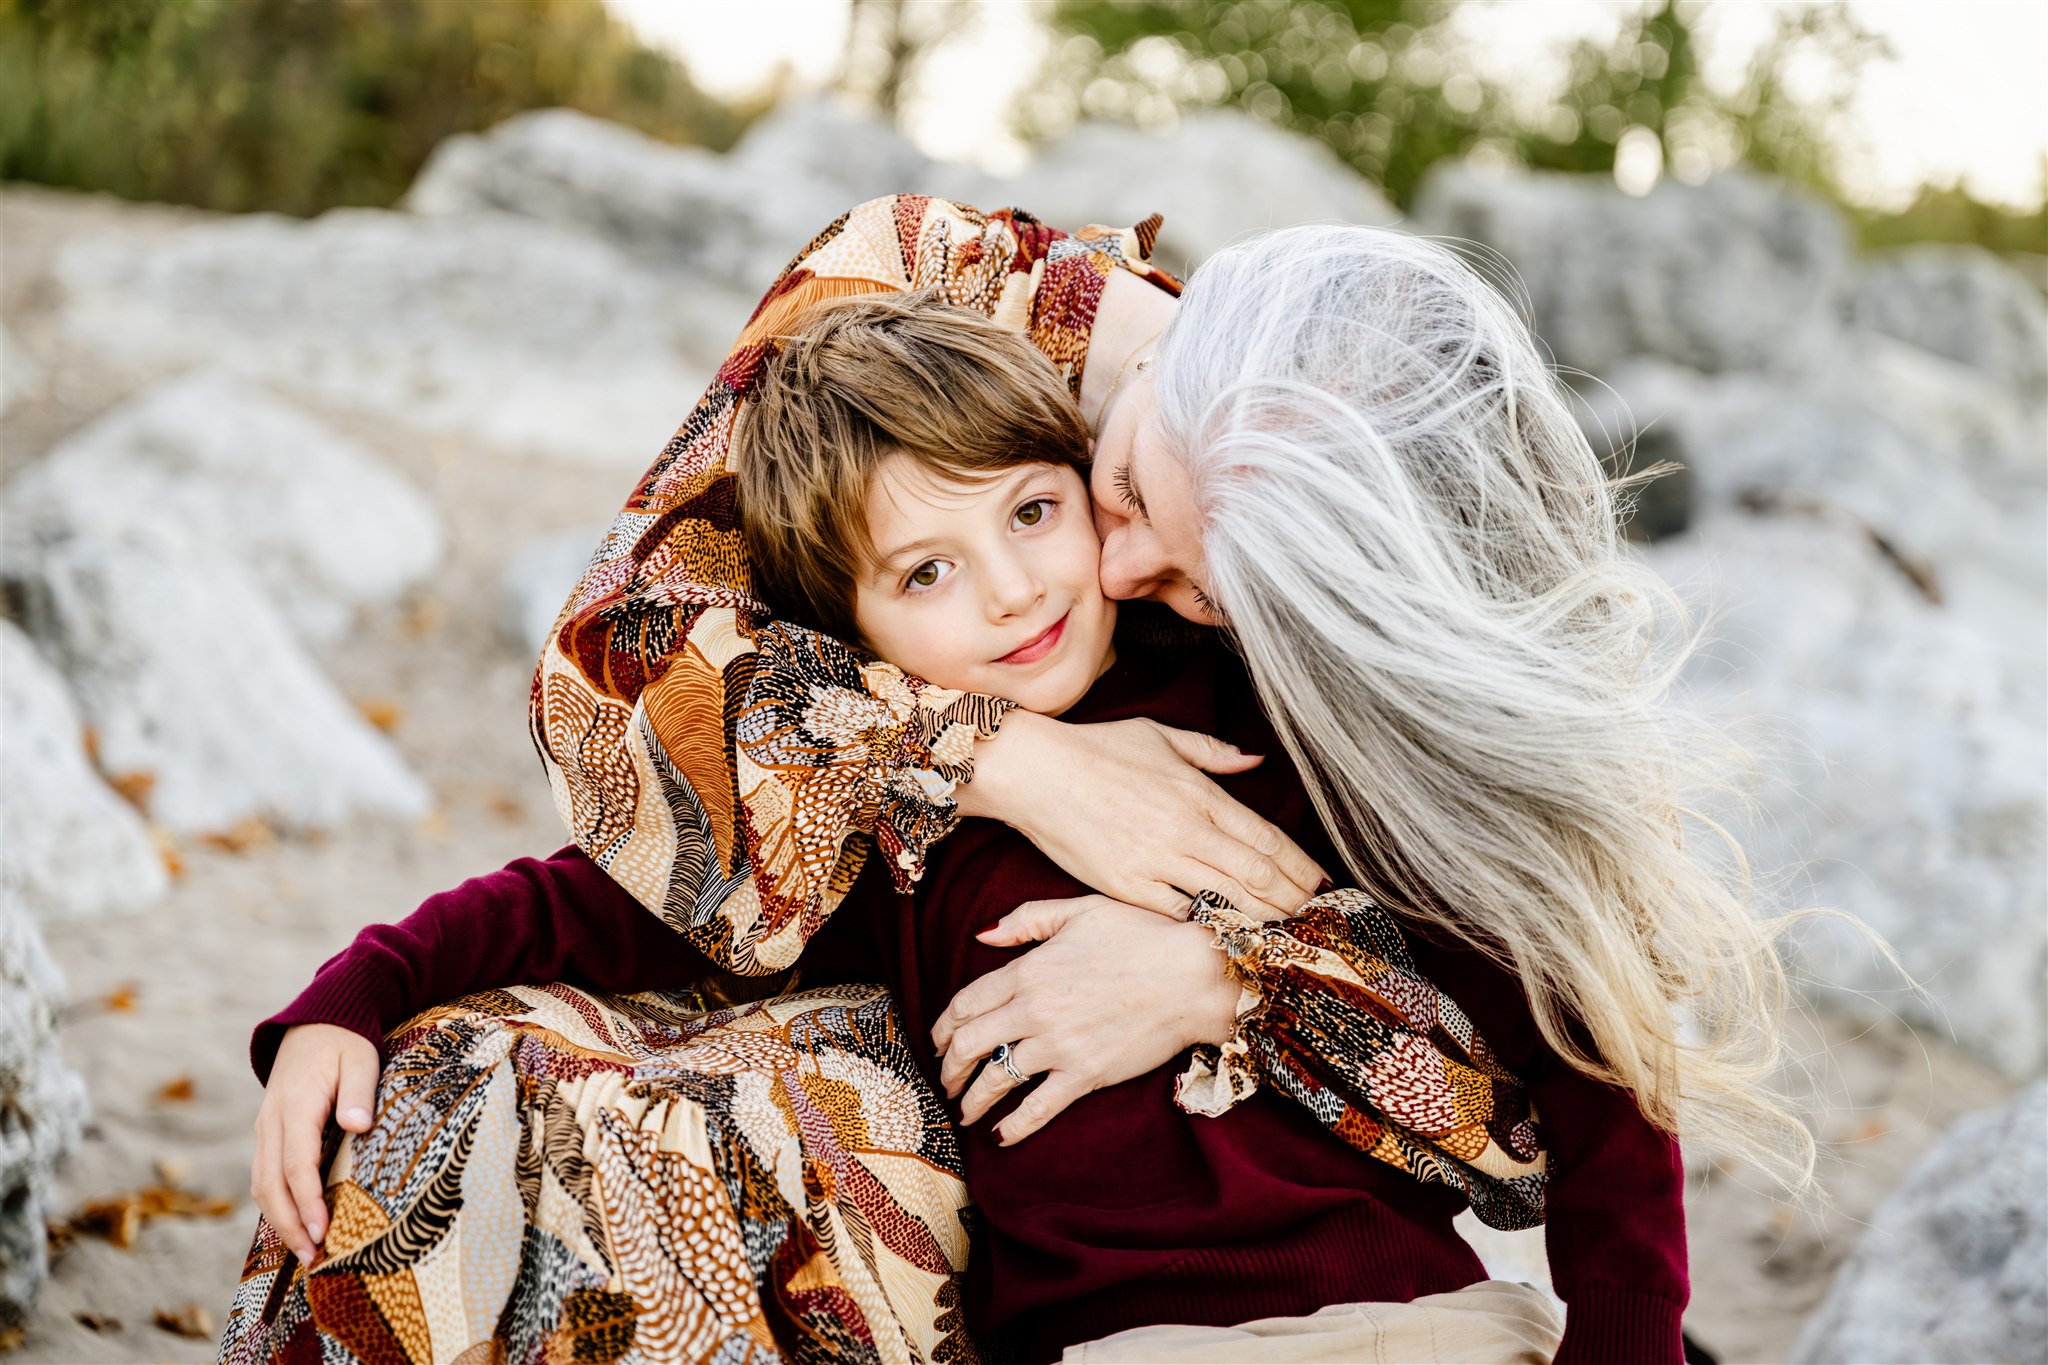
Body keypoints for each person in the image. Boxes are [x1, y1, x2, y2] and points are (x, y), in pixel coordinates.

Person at [230, 197, 1804, 1363]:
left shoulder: (1267, 713)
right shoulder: (879, 810)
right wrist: (351, 996)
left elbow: (1589, 1053)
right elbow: (591, 902)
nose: (1040, 584)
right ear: (850, 631)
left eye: (1044, 516)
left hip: (1399, 1321)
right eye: (928, 570)